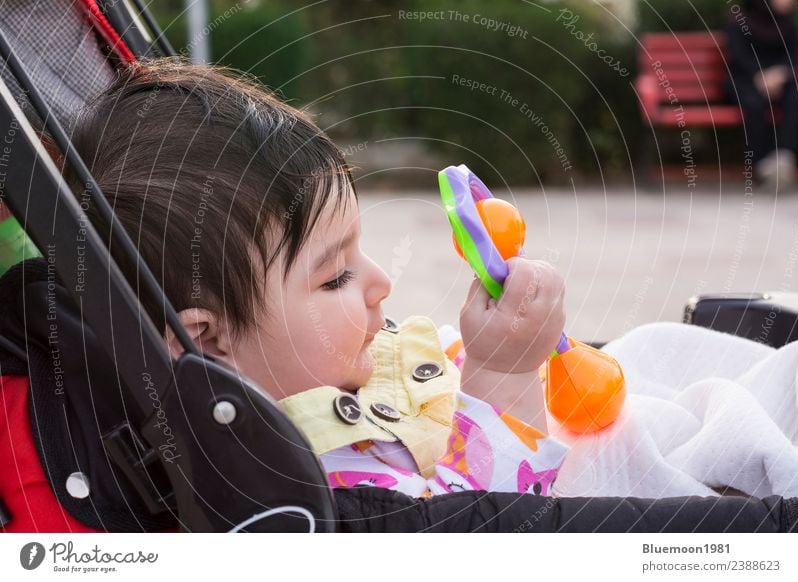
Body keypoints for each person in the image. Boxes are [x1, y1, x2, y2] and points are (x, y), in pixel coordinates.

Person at [64, 59, 570, 499]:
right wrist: (504, 373)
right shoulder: (308, 474)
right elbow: (476, 535)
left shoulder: (338, 364)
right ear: (209, 341)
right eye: (335, 277)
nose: (381, 282)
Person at [726, 0, 798, 190]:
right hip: (747, 80)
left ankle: (783, 157)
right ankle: (760, 166)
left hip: (779, 81)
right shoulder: (739, 21)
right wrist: (759, 75)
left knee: (795, 98)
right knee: (754, 104)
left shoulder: (787, 24)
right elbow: (738, 56)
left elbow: (793, 56)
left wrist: (779, 74)